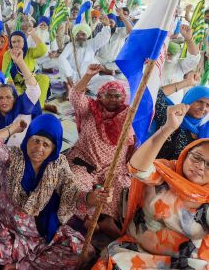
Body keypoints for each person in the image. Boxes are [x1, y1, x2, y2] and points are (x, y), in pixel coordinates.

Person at [0, 114, 113, 269]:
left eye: (46, 145)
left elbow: (73, 193)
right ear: (27, 138)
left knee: (84, 253)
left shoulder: (58, 166)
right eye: (35, 140)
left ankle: (21, 266)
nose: (39, 148)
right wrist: (13, 128)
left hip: (43, 235)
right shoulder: (12, 157)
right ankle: (30, 263)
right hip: (10, 233)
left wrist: (91, 198)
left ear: (54, 148)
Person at [92, 105, 209, 270]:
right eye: (197, 157)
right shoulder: (166, 172)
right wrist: (168, 128)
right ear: (186, 154)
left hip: (182, 264)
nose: (201, 166)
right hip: (131, 253)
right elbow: (136, 168)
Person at [67, 64, 135, 238]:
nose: (112, 99)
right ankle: (86, 219)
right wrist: (88, 75)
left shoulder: (129, 115)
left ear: (123, 98)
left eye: (117, 96)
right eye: (107, 95)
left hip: (113, 168)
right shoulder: (90, 108)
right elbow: (74, 96)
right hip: (85, 162)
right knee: (78, 184)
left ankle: (106, 219)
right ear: (99, 96)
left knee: (122, 185)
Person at [0, 49, 41, 145]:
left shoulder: (22, 105)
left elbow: (34, 90)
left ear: (14, 99)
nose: (4, 101)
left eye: (8, 97)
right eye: (0, 98)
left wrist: (20, 63)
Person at [153, 78, 209, 160]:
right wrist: (186, 82)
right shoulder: (171, 117)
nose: (203, 108)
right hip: (152, 169)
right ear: (189, 99)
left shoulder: (202, 133)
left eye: (208, 105)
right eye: (199, 101)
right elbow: (155, 94)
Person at [59, 14, 112, 88]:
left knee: (110, 79)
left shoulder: (92, 43)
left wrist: (106, 26)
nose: (80, 36)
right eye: (78, 34)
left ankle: (85, 88)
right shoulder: (70, 45)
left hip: (89, 77)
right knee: (62, 68)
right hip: (73, 77)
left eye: (83, 34)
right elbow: (62, 58)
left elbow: (103, 38)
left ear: (87, 36)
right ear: (75, 36)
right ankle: (71, 88)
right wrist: (69, 75)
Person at [2, 30, 50, 107]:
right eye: (13, 42)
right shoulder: (8, 54)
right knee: (17, 97)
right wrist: (11, 86)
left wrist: (33, 35)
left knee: (44, 78)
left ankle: (39, 107)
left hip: (31, 80)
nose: (16, 44)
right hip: (16, 83)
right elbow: (5, 73)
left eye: (19, 41)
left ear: (24, 42)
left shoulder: (30, 51)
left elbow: (43, 50)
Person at [161, 25, 200, 104]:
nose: (168, 56)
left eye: (171, 54)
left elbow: (194, 58)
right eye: (166, 53)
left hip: (173, 110)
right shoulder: (151, 66)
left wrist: (189, 39)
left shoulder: (179, 66)